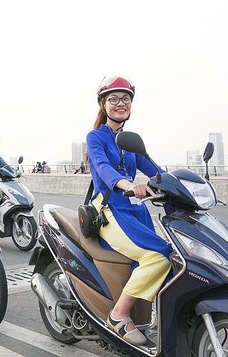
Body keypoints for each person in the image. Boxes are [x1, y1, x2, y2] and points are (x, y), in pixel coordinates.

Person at [86, 75, 172, 346]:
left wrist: (181, 184)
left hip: (137, 212)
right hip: (110, 211)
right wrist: (126, 183)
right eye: (114, 99)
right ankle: (119, 315)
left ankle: (152, 315)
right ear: (103, 104)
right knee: (159, 257)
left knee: (177, 257)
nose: (120, 103)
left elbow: (154, 168)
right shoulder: (95, 137)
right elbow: (103, 168)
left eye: (126, 98)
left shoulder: (131, 139)